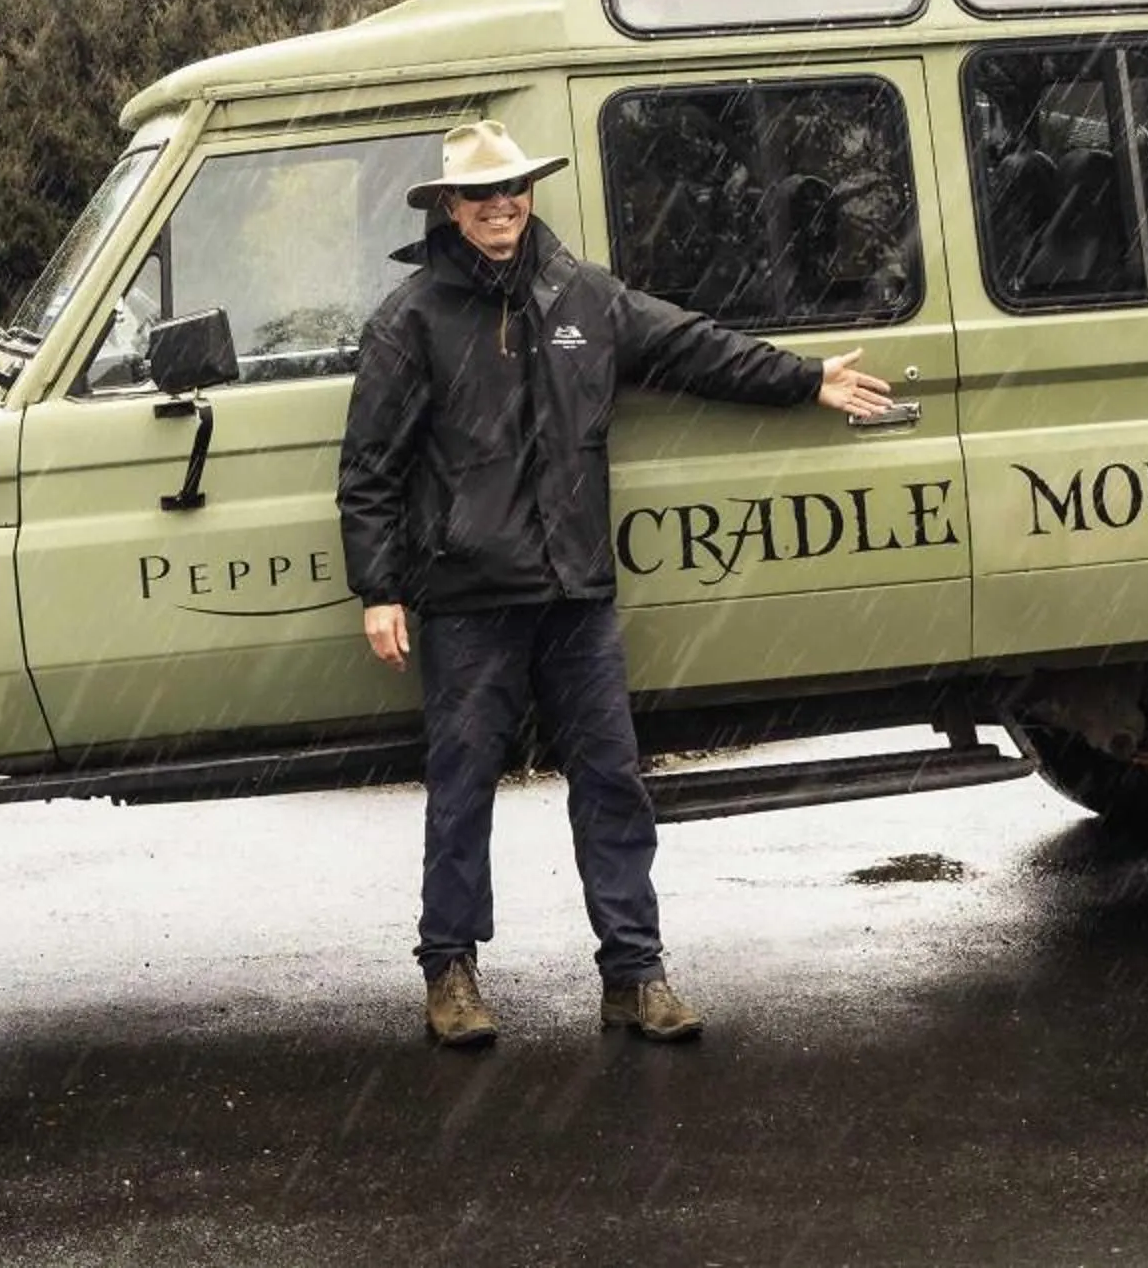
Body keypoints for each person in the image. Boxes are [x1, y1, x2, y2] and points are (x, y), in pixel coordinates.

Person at [338, 119, 895, 1051]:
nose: (502, 206)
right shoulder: (411, 321)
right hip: (469, 601)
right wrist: (380, 590)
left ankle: (635, 975)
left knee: (612, 783)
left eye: (514, 189)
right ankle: (451, 972)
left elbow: (694, 348)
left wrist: (802, 381)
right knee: (462, 788)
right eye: (481, 195)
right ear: (450, 209)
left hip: (576, 596)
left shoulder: (584, 296)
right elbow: (371, 469)